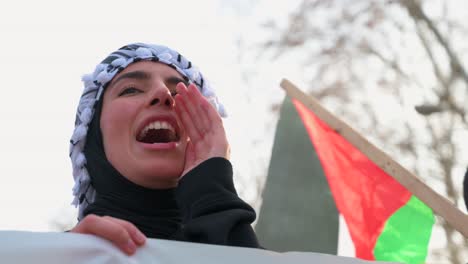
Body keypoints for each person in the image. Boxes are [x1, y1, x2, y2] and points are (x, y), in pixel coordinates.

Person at [68, 43, 260, 255]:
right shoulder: (48, 255)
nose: (163, 93)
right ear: (93, 134)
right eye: (131, 89)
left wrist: (214, 194)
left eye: (180, 91)